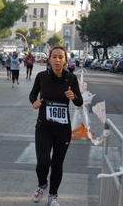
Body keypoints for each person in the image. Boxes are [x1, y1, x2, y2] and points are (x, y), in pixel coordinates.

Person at [29, 46, 83, 206]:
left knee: (57, 164)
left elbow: (79, 101)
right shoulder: (42, 77)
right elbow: (32, 94)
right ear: (49, 59)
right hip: (44, 128)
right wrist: (35, 102)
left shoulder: (71, 78)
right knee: (43, 162)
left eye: (60, 57)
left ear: (65, 60)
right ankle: (41, 184)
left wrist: (73, 96)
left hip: (62, 130)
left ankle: (53, 196)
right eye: (54, 56)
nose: (57, 60)